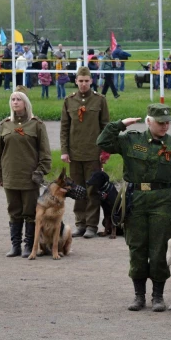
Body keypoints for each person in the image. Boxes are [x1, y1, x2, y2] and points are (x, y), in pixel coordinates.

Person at [97, 103, 171, 312]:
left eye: (168, 123)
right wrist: (119, 125)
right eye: (160, 122)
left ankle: (158, 296)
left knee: (160, 249)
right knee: (137, 247)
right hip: (135, 199)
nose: (165, 126)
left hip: (162, 199)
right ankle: (139, 295)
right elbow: (103, 142)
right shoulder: (132, 140)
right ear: (149, 121)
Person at [0, 86, 51, 258]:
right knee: (14, 210)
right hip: (10, 175)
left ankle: (29, 246)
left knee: (31, 211)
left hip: (29, 176)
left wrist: (40, 171)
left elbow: (45, 153)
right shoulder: (5, 125)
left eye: (18, 99)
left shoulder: (36, 125)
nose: (15, 102)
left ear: (25, 103)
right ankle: (15, 245)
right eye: (12, 99)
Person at [60, 66, 110, 238]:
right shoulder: (69, 101)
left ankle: (91, 225)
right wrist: (64, 151)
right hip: (74, 153)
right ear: (75, 81)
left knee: (92, 190)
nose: (83, 84)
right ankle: (80, 224)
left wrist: (105, 151)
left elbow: (106, 127)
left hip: (93, 153)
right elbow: (65, 128)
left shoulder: (99, 100)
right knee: (77, 190)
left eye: (86, 81)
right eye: (80, 81)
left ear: (91, 81)